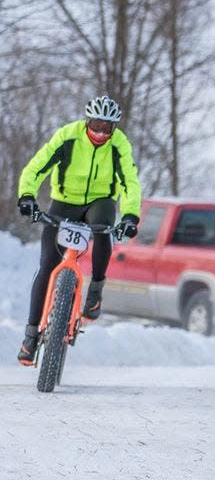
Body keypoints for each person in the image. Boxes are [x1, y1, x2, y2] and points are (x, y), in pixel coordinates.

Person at [16, 95, 141, 365]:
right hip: (64, 202)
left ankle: (95, 290)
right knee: (48, 264)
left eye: (107, 128)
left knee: (104, 229)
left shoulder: (119, 145)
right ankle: (30, 337)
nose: (100, 132)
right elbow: (36, 167)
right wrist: (27, 196)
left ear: (114, 128)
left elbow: (130, 181)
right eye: (96, 124)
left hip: (100, 201)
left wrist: (131, 215)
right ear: (87, 121)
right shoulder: (67, 136)